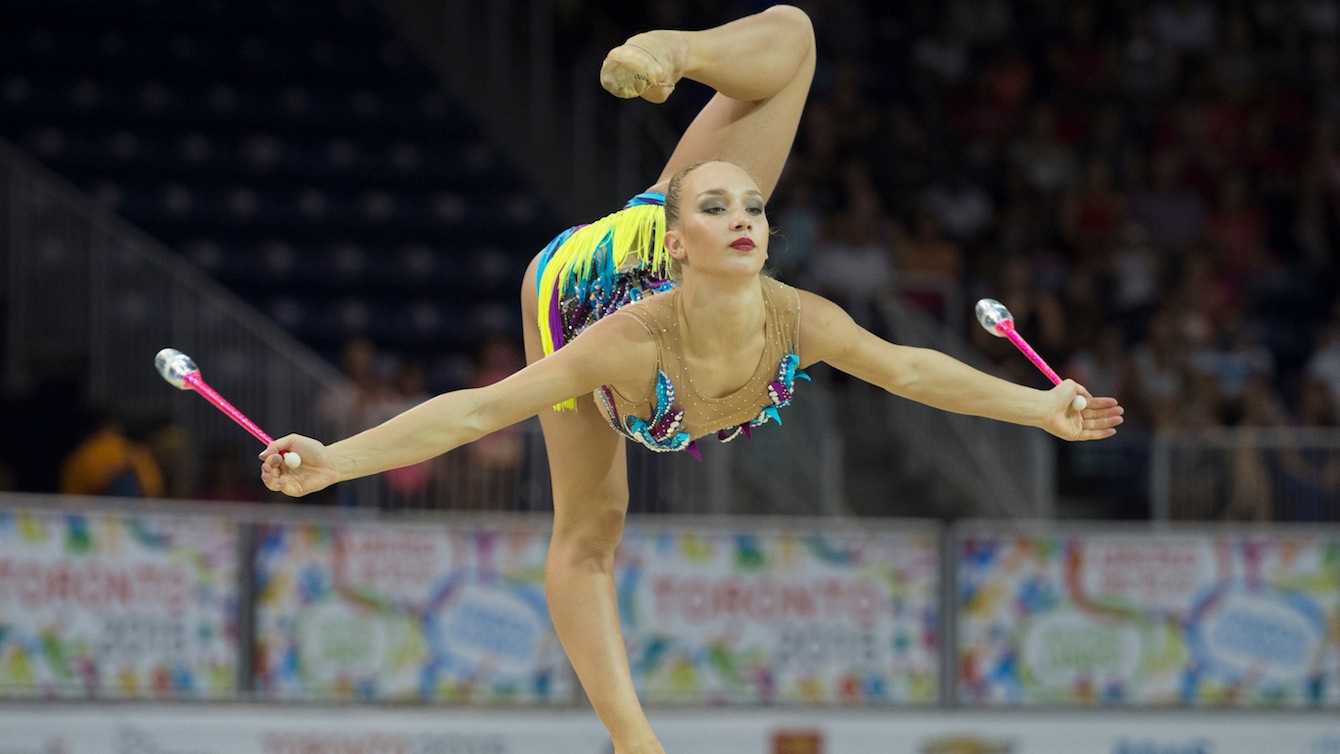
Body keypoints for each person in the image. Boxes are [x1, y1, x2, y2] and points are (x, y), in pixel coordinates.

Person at [258, 7, 1124, 753]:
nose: (745, 217)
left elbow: (908, 370)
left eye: (754, 208)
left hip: (660, 239)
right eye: (719, 209)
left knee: (795, 33)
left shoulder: (801, 318)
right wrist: (336, 460)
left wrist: (1042, 409)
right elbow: (480, 410)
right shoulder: (622, 343)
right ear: (683, 240)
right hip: (569, 288)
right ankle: (634, 737)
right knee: (591, 531)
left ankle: (674, 51)